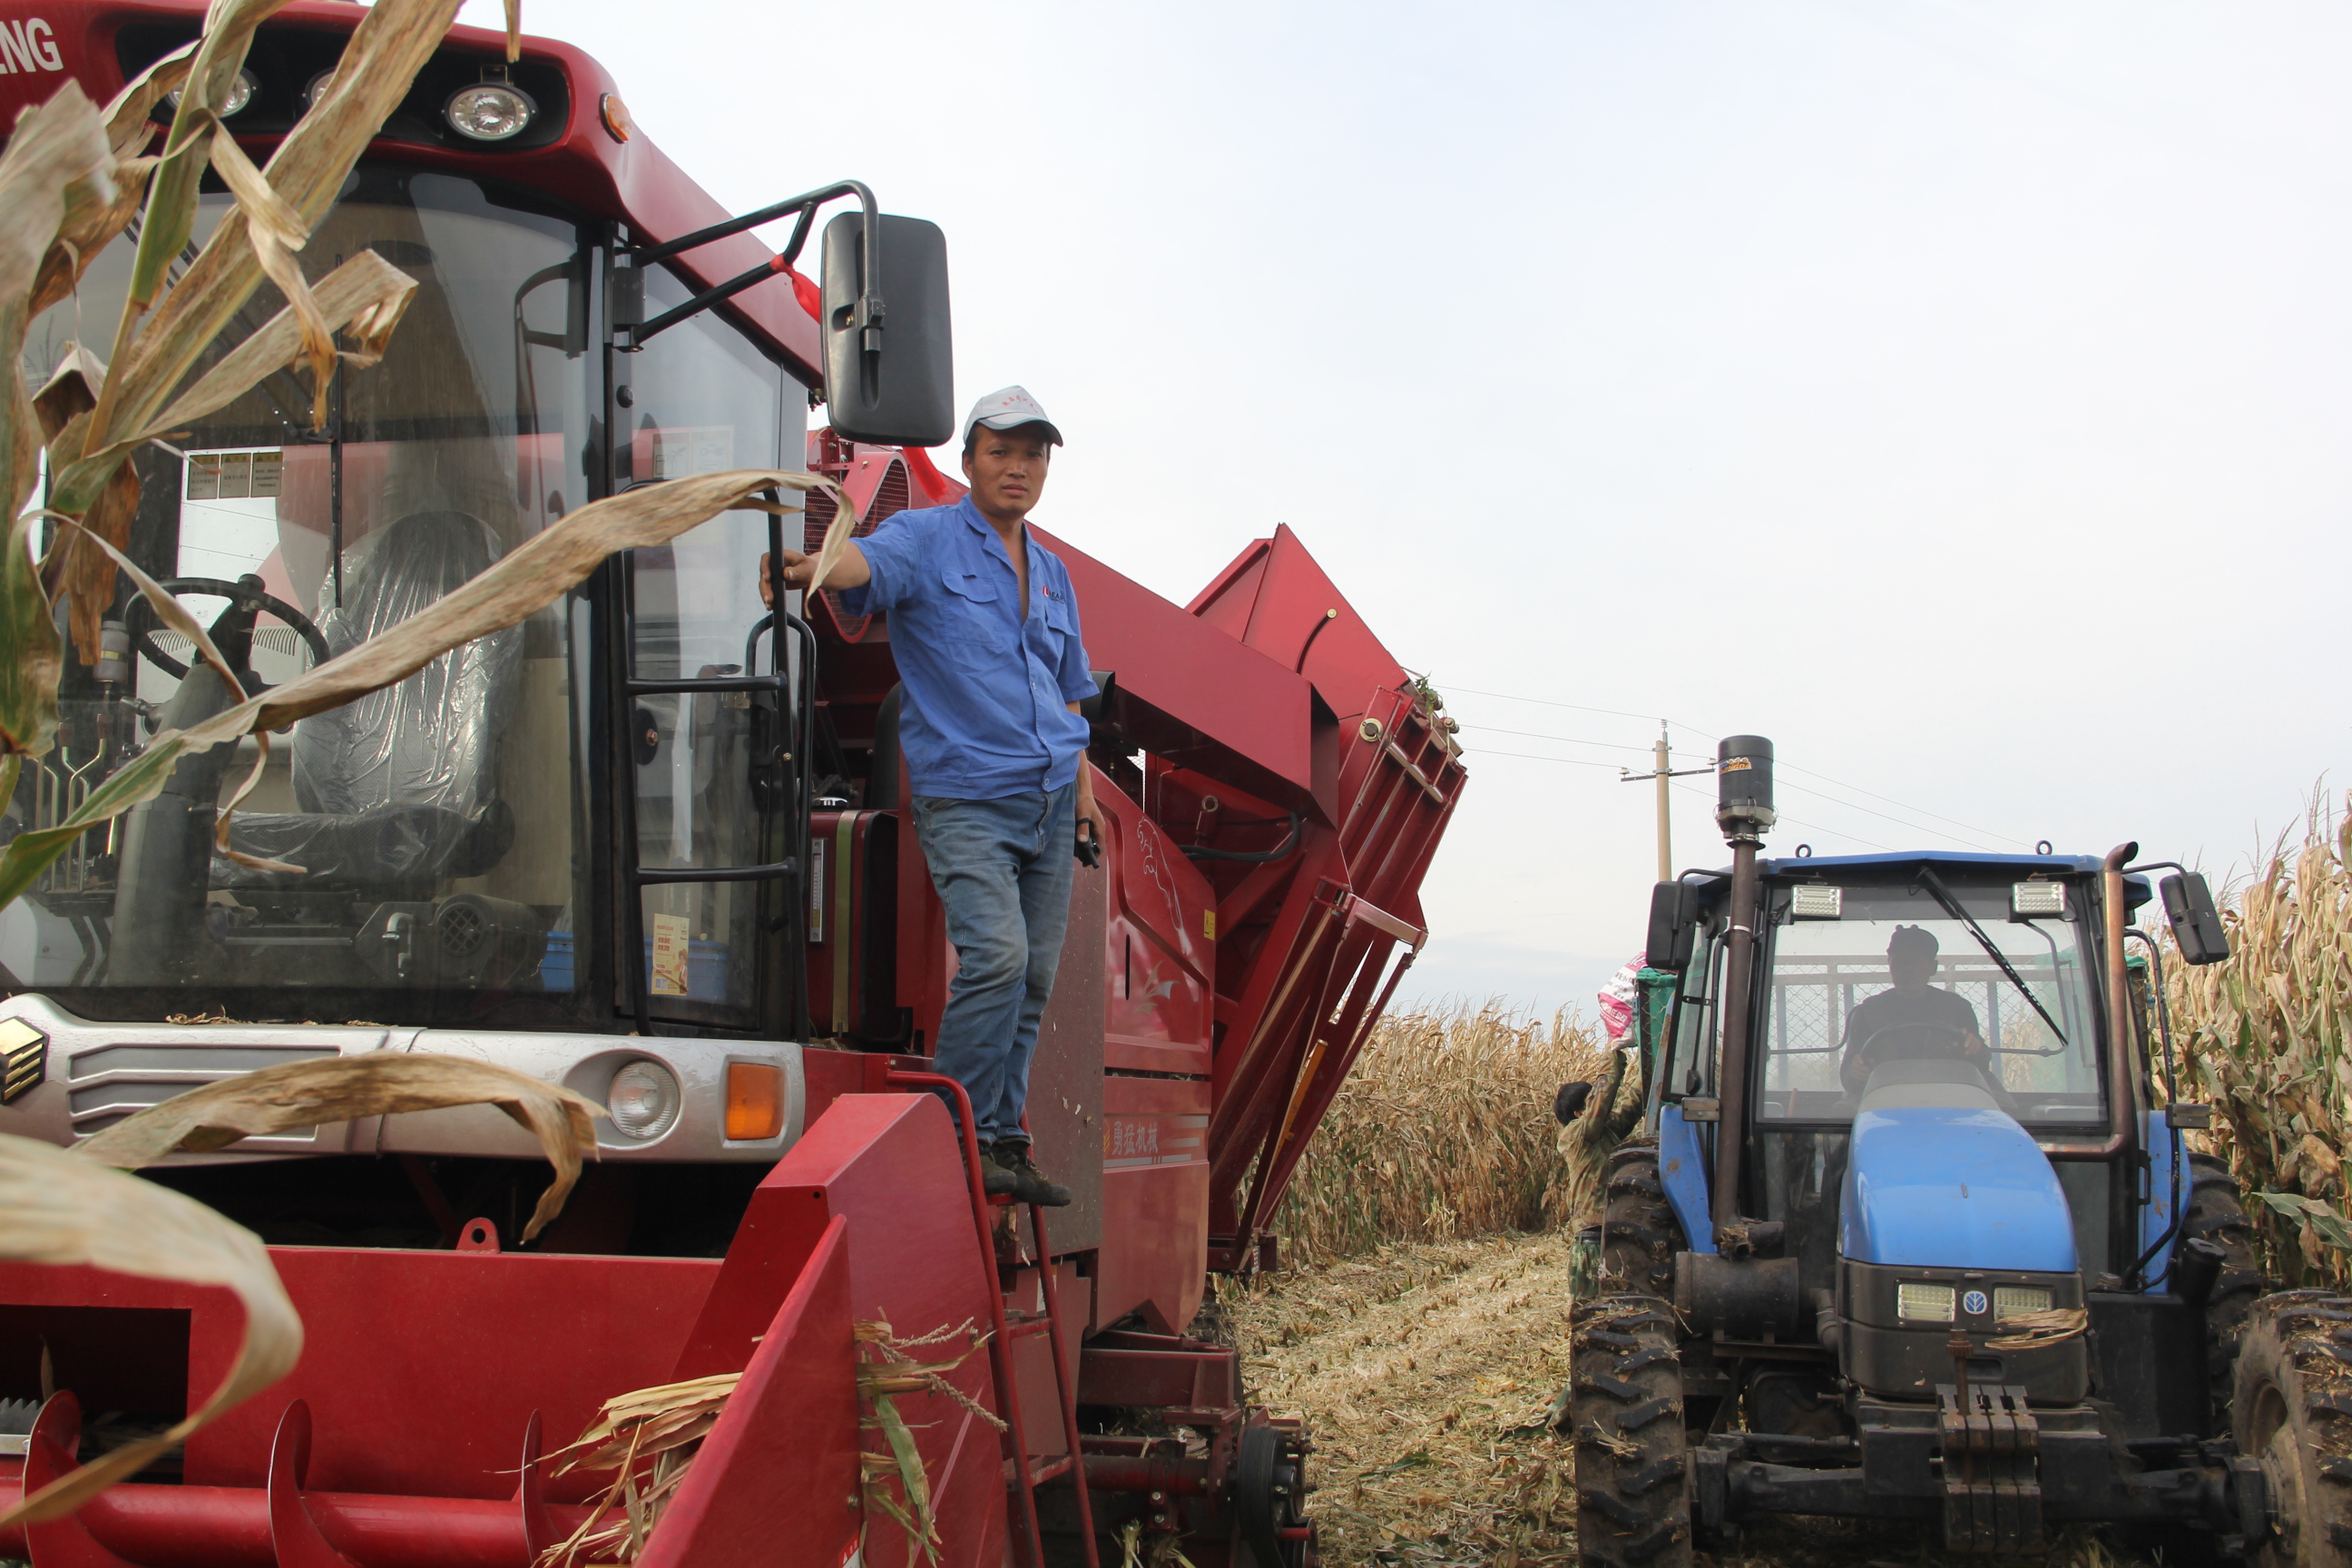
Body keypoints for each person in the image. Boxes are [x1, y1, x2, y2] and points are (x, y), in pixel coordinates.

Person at [765, 387, 1103, 1206]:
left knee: (1033, 979)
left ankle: (1003, 1138)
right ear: (969, 461)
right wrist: (818, 566)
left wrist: (1086, 798)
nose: (1017, 468)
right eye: (1001, 452)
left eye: (1033, 455)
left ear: (1047, 466)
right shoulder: (926, 538)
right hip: (969, 800)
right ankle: (946, 1133)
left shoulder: (1053, 573)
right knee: (998, 957)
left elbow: (1067, 698)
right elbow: (865, 567)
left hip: (1054, 798)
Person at [1837, 925, 1989, 1096]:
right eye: (1900, 961)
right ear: (1889, 964)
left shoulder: (1958, 1008)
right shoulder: (1868, 1011)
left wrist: (1975, 1048)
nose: (1907, 969)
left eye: (1916, 962)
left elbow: (1981, 1065)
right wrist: (1855, 1070)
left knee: (2002, 1107)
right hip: (1884, 1099)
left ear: (1933, 968)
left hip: (1948, 1097)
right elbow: (1850, 1076)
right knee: (1842, 1111)